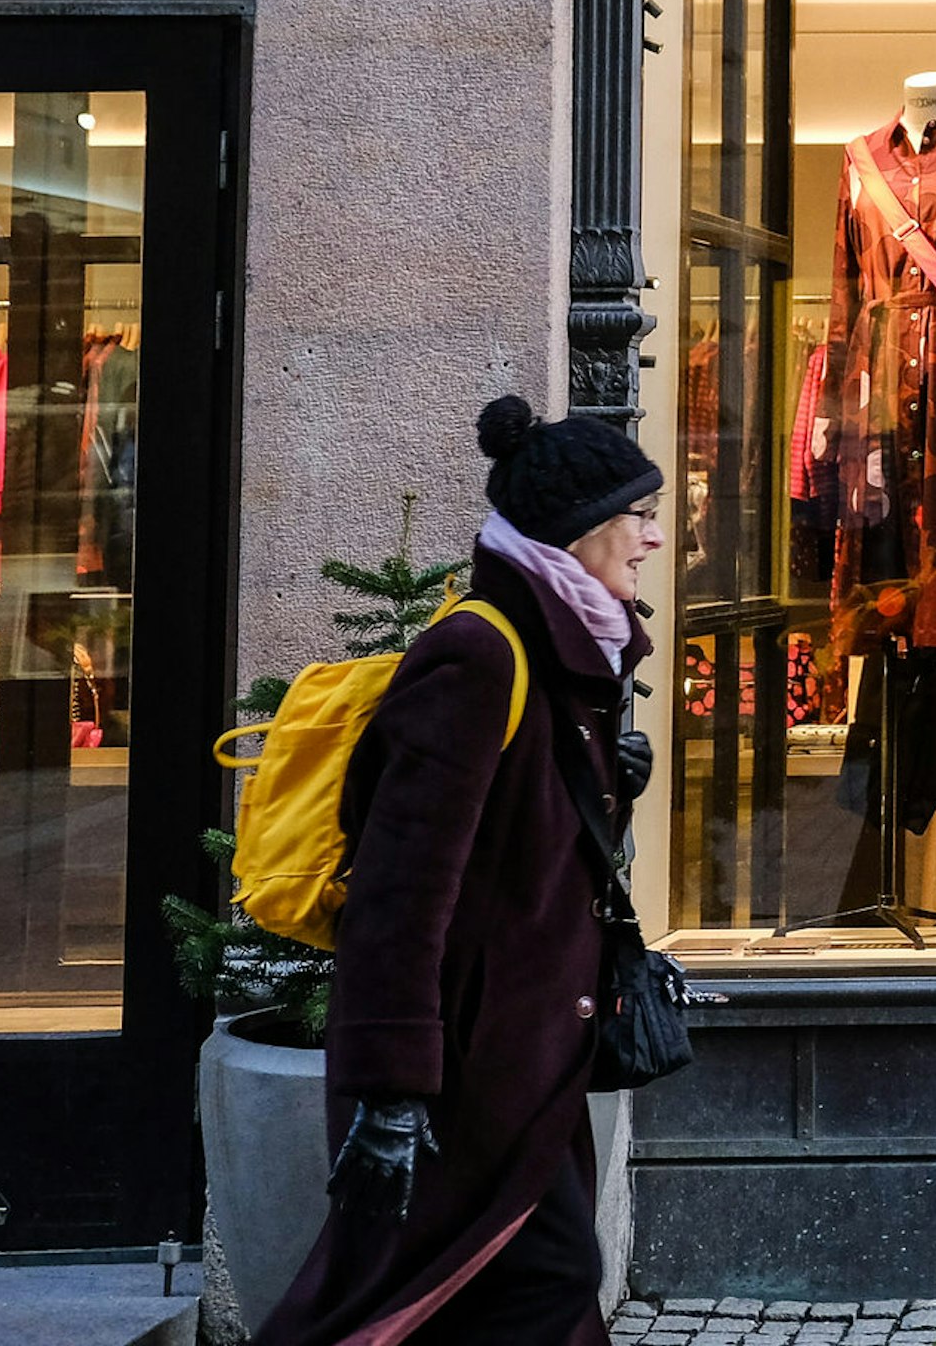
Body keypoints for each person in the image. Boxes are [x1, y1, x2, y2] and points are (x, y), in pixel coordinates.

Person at [254, 396, 665, 1346]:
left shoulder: (562, 644)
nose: (649, 540)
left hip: (526, 1049)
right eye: (635, 519)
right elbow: (401, 895)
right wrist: (392, 1090)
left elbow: (526, 848)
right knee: (509, 1285)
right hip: (463, 1070)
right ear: (579, 534)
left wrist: (613, 785)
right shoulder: (479, 654)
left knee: (501, 1294)